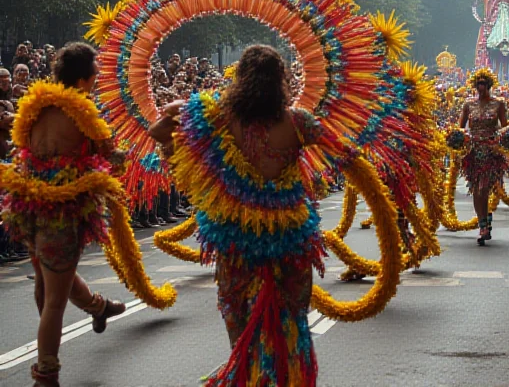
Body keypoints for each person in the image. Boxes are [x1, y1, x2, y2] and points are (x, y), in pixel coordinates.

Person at [149, 45, 324, 386]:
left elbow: (158, 131)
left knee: (239, 322)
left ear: (241, 79)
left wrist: (184, 161)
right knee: (292, 320)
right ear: (281, 81)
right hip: (290, 241)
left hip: (237, 240)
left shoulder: (217, 117)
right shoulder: (299, 122)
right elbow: (343, 148)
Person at [0, 42, 127, 387]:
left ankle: (99, 307)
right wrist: (127, 153)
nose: (99, 76)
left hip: (30, 208)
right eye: (97, 71)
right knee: (53, 296)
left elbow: (22, 147)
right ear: (84, 79)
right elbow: (109, 153)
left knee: (51, 277)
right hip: (62, 212)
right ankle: (46, 374)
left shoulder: (37, 106)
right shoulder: (82, 112)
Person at [458, 68, 508, 246]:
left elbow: (505, 128)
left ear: (489, 85)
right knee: (476, 189)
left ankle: (484, 225)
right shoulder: (468, 104)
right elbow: (460, 128)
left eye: (484, 85)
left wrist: (499, 141)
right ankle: (483, 223)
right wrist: (459, 139)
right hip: (473, 151)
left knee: (484, 188)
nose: (481, 88)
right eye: (478, 84)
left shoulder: (498, 104)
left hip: (490, 152)